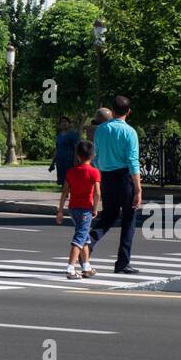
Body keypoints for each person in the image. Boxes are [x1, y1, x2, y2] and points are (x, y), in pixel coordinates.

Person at [88, 95, 143, 274]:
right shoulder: (130, 132)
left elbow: (95, 158)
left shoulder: (100, 130)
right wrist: (138, 189)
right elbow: (133, 161)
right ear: (129, 111)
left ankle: (88, 243)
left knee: (108, 217)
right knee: (128, 220)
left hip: (107, 178)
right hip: (125, 177)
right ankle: (122, 263)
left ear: (112, 111)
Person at [55, 138, 101, 279]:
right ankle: (70, 268)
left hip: (73, 209)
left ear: (78, 156)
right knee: (80, 238)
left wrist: (60, 210)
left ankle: (86, 267)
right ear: (93, 156)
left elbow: (64, 192)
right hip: (85, 209)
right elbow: (97, 193)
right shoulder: (94, 172)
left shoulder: (71, 172)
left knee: (85, 237)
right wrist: (95, 208)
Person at [49, 116, 81, 186]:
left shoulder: (73, 134)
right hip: (60, 161)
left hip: (69, 161)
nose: (64, 123)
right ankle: (65, 195)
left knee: (70, 179)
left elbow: (76, 148)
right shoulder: (59, 135)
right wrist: (53, 163)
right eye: (62, 122)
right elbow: (57, 149)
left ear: (69, 124)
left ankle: (71, 195)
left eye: (65, 122)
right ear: (59, 125)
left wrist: (75, 160)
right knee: (62, 180)